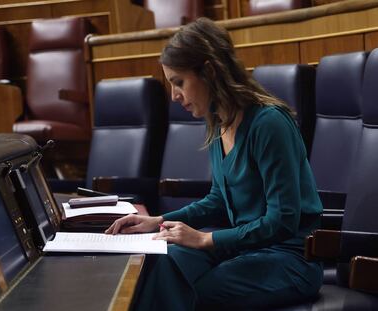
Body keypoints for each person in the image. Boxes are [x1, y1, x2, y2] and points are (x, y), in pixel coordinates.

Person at [105, 17, 323, 310]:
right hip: (244, 250)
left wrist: (206, 240)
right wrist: (158, 221)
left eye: (179, 82)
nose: (174, 96)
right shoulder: (219, 122)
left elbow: (282, 222)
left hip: (289, 259)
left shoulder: (269, 123)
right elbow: (220, 199)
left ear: (209, 71)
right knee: (160, 263)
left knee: (196, 291)